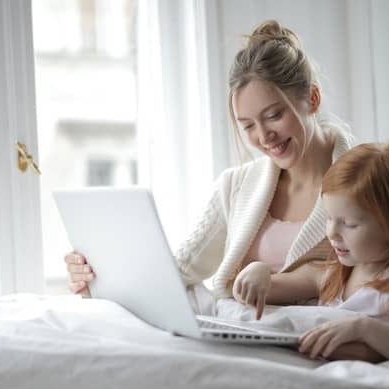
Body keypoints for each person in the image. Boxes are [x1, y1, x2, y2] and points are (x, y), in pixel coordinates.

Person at [66, 21, 353, 324]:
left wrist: (274, 281)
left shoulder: (369, 179)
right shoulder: (236, 185)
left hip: (317, 333)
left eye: (273, 116)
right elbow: (179, 271)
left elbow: (379, 278)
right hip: (245, 330)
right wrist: (100, 280)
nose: (264, 136)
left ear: (313, 99)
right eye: (248, 126)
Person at [286, 142, 389, 376]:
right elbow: (270, 288)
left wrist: (364, 328)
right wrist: (257, 272)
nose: (331, 233)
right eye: (328, 218)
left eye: (349, 223)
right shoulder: (332, 273)